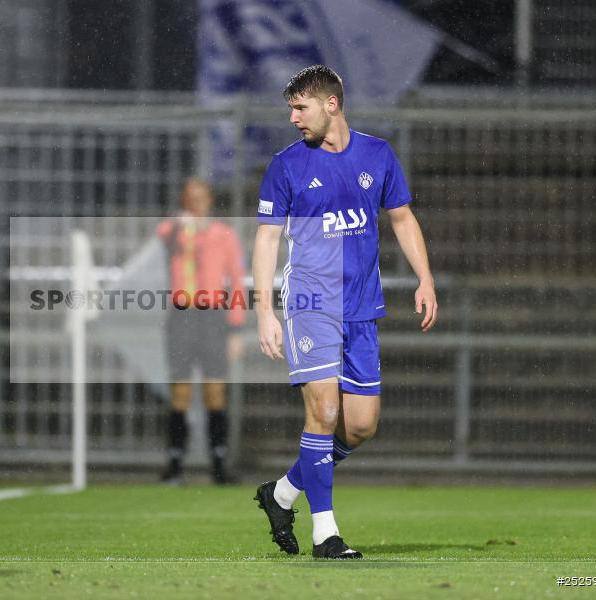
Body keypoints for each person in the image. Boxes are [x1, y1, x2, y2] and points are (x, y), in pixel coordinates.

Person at [251, 65, 437, 559]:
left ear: (331, 104)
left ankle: (282, 493)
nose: (293, 118)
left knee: (359, 426)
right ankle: (325, 535)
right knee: (325, 412)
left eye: (301, 107)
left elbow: (402, 217)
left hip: (360, 307)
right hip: (310, 304)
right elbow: (267, 238)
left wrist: (425, 277)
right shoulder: (287, 165)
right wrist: (265, 310)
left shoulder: (377, 154)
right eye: (291, 109)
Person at [158, 178, 246, 484]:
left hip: (212, 317)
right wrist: (183, 226)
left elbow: (236, 280)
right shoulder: (175, 231)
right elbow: (164, 238)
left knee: (215, 391)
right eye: (190, 197)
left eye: (201, 197)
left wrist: (235, 328)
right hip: (182, 316)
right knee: (180, 391)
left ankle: (219, 463)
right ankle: (174, 464)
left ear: (210, 200)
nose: (196, 203)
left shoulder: (223, 235)